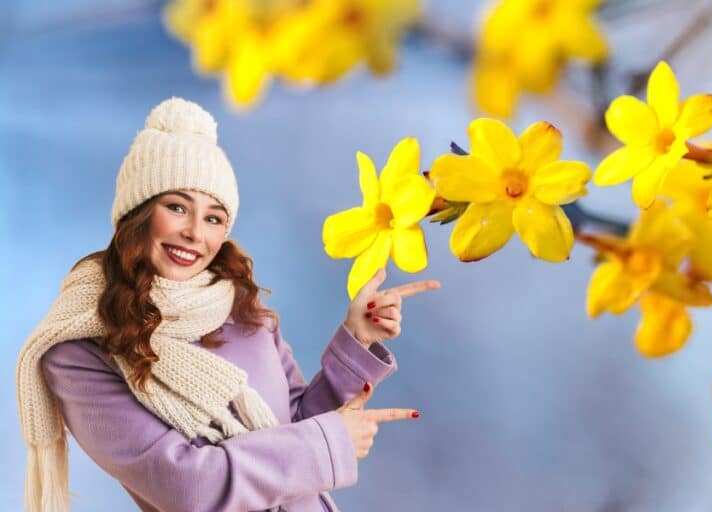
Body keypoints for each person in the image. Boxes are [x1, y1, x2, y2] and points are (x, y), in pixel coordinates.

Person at [14, 97, 439, 512]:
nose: (196, 234)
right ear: (137, 213)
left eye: (214, 217)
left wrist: (356, 340)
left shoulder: (237, 307)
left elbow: (291, 423)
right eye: (177, 207)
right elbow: (186, 488)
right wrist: (330, 444)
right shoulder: (78, 351)